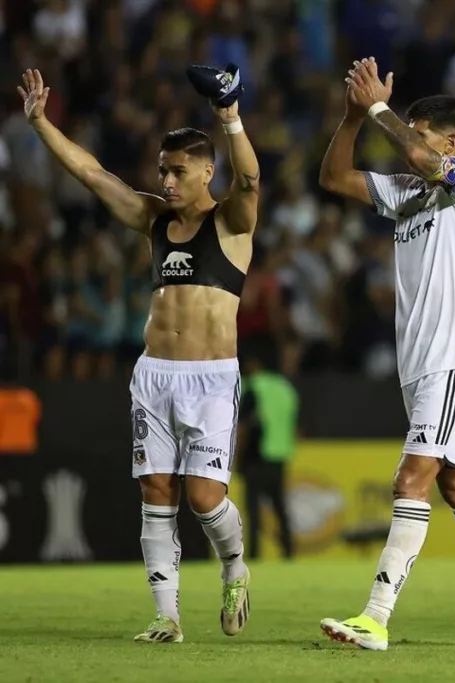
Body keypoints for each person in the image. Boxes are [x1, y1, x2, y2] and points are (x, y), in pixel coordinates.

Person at [18, 67, 259, 643]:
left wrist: (230, 117)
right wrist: (42, 124)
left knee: (204, 500)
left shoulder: (230, 221)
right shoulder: (153, 219)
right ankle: (166, 616)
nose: (167, 181)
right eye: (162, 171)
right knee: (155, 490)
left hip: (209, 377)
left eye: (179, 171)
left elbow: (250, 181)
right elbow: (92, 173)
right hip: (153, 375)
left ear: (207, 171)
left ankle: (234, 565)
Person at [316, 57, 455, 651]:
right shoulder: (406, 195)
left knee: (411, 477)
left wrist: (377, 110)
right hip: (417, 362)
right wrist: (350, 118)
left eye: (417, 131)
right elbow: (335, 178)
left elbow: (421, 158)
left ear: (448, 142)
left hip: (452, 353)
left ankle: (375, 616)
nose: (405, 141)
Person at [238, 339, 299, 560]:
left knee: (253, 511)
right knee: (280, 509)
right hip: (279, 455)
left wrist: (238, 456)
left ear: (255, 364)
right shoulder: (285, 388)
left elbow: (244, 424)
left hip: (256, 456)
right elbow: (293, 423)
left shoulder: (253, 386)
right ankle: (289, 553)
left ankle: (254, 555)